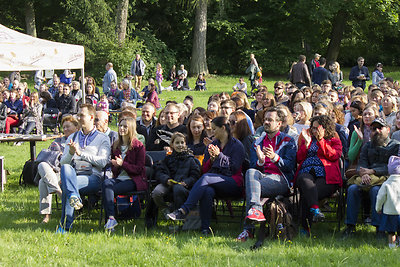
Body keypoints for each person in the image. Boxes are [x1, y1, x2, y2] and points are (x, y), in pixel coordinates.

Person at [167, 116, 245, 235]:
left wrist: (219, 156)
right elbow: (204, 169)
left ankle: (183, 210)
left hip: (233, 184)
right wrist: (213, 160)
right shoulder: (212, 145)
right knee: (207, 191)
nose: (212, 132)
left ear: (223, 128)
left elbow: (234, 168)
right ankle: (205, 228)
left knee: (206, 178)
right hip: (214, 183)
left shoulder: (237, 145)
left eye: (214, 129)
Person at [236, 107, 296, 241]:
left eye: (270, 120)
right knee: (251, 172)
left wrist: (275, 158)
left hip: (281, 179)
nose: (266, 122)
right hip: (262, 177)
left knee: (252, 187)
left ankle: (248, 230)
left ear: (279, 124)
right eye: (265, 119)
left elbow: (290, 167)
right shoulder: (257, 142)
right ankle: (256, 210)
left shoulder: (288, 141)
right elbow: (252, 166)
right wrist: (261, 162)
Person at [56, 104, 111, 233]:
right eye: (78, 114)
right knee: (66, 170)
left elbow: (103, 162)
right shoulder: (72, 137)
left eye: (82, 115)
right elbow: (63, 163)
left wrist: (81, 154)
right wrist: (70, 152)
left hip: (93, 176)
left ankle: (65, 226)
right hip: (74, 174)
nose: (79, 118)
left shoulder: (103, 138)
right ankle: (74, 196)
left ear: (91, 117)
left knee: (67, 186)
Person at [342, 118, 400, 238]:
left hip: (385, 179)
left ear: (388, 130)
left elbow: (393, 168)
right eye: (373, 129)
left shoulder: (395, 146)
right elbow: (361, 164)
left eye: (380, 128)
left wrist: (373, 171)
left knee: (376, 191)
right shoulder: (367, 146)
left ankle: (379, 229)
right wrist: (364, 174)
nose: (377, 131)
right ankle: (350, 227)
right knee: (352, 189)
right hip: (365, 179)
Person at [296, 115, 342, 234]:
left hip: (326, 175)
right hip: (307, 171)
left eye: (317, 128)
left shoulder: (334, 140)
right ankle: (315, 209)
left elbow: (333, 155)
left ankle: (305, 227)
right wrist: (306, 145)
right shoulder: (308, 139)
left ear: (325, 128)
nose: (314, 130)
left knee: (309, 191)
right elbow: (299, 158)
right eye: (313, 128)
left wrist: (321, 141)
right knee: (304, 180)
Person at [102, 117, 146, 230]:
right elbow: (115, 170)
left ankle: (110, 219)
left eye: (125, 126)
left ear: (131, 128)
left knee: (109, 190)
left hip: (133, 179)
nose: (121, 128)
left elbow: (139, 169)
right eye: (120, 126)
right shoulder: (116, 145)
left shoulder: (138, 146)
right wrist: (115, 165)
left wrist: (122, 164)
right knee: (106, 183)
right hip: (119, 178)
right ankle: (111, 218)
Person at [38, 116, 80, 223]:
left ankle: (46, 215)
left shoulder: (78, 140)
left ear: (76, 127)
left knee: (42, 182)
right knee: (41, 165)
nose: (65, 129)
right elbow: (49, 155)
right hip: (54, 170)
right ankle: (58, 191)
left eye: (68, 127)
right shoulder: (58, 140)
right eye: (63, 127)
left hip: (69, 172)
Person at [151, 132, 201, 219]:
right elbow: (160, 172)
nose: (180, 145)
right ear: (172, 145)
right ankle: (166, 209)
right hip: (169, 183)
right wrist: (166, 180)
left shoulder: (190, 159)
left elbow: (195, 175)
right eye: (177, 143)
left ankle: (178, 216)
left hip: (183, 185)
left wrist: (186, 182)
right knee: (156, 193)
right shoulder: (168, 158)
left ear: (185, 144)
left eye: (182, 143)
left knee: (178, 189)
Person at [375, 156, 400, 248]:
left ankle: (391, 246)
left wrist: (378, 208)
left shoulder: (386, 184)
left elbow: (380, 197)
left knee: (391, 232)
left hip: (389, 212)